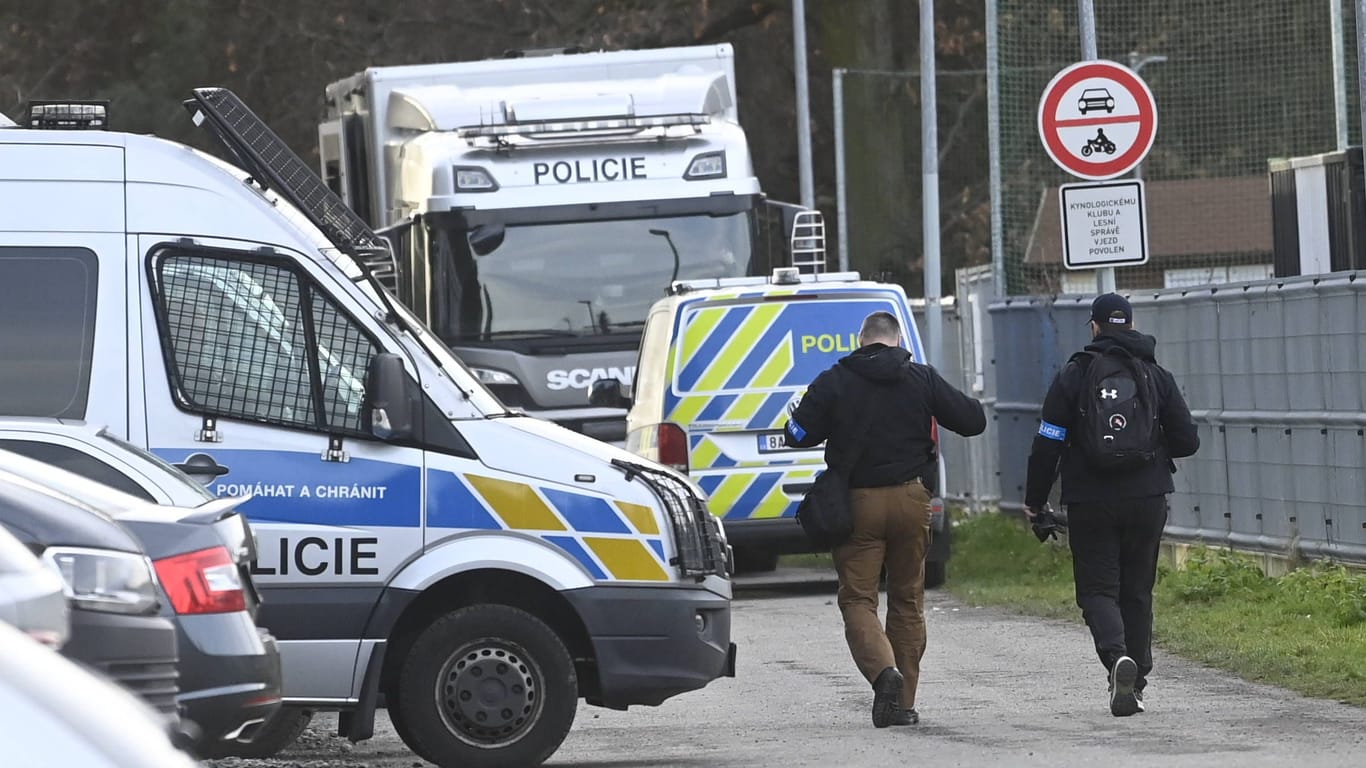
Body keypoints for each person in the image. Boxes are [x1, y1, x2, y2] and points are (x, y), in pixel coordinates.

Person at [784, 311, 986, 728]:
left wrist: (795, 415)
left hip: (858, 504)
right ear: (896, 339)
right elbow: (973, 421)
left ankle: (883, 673)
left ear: (862, 341)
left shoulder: (836, 379)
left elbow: (798, 434)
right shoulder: (921, 377)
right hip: (913, 500)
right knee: (907, 599)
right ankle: (902, 703)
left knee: (858, 598)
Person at [1024, 293, 1199, 717]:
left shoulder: (1074, 374)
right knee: (1137, 591)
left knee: (1098, 590)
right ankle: (1134, 681)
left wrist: (1035, 501)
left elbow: (1047, 441)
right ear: (1132, 324)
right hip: (1148, 497)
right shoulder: (1155, 373)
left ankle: (1116, 656)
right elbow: (1188, 441)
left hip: (1090, 498)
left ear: (1095, 326)